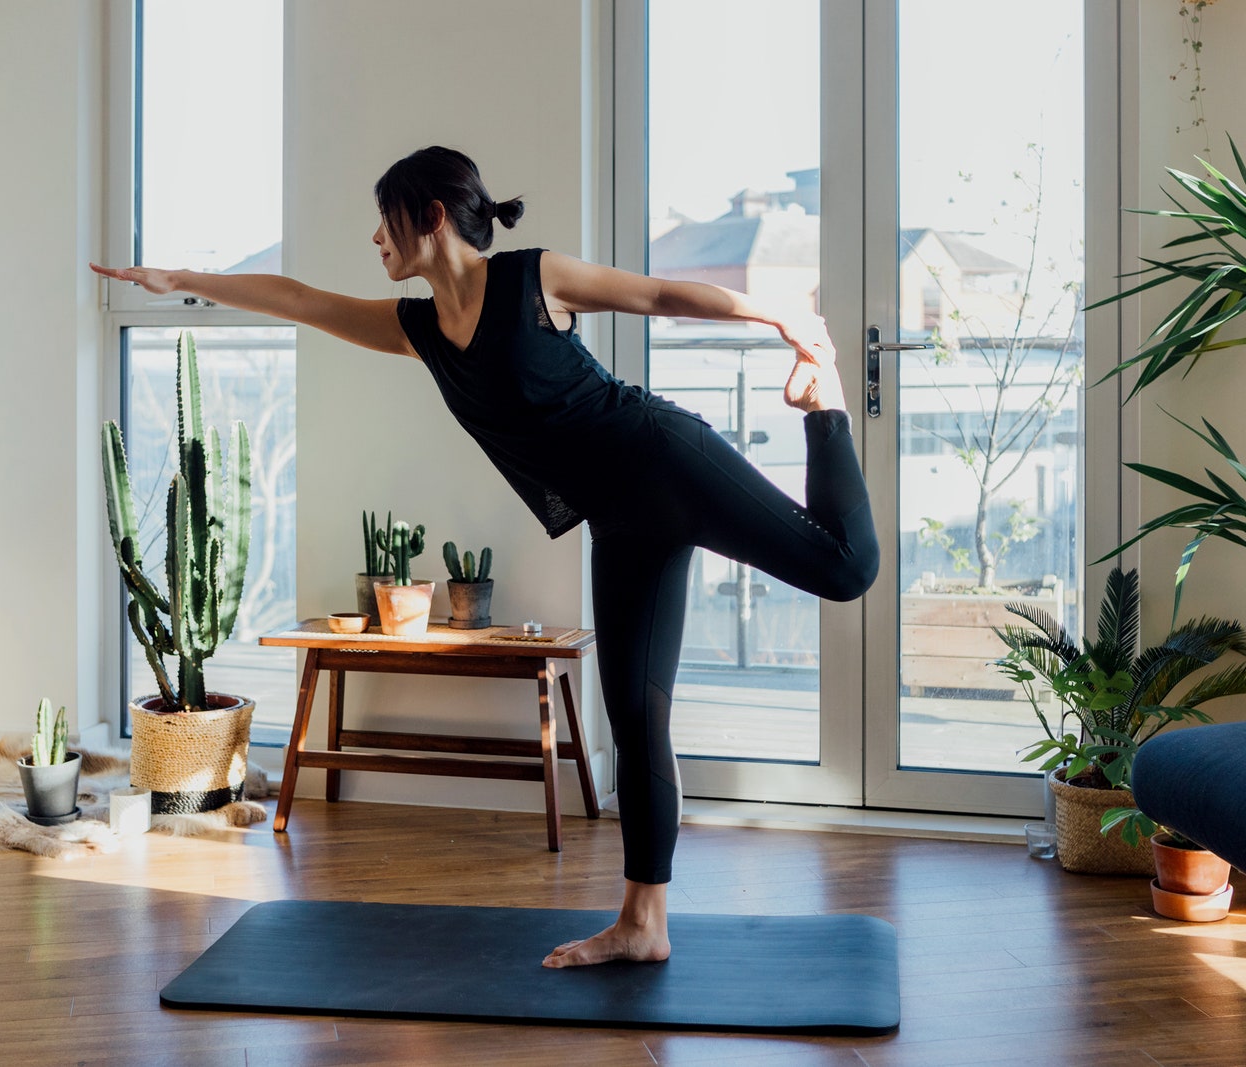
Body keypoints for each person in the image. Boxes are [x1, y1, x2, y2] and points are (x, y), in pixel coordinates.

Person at [91, 145, 879, 968]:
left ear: (430, 217)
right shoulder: (421, 330)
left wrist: (776, 317)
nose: (375, 238)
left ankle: (824, 409)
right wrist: (180, 275)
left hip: (664, 458)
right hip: (619, 519)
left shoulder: (534, 278)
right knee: (638, 718)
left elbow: (653, 293)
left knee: (845, 569)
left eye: (386, 220)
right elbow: (298, 299)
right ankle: (644, 922)